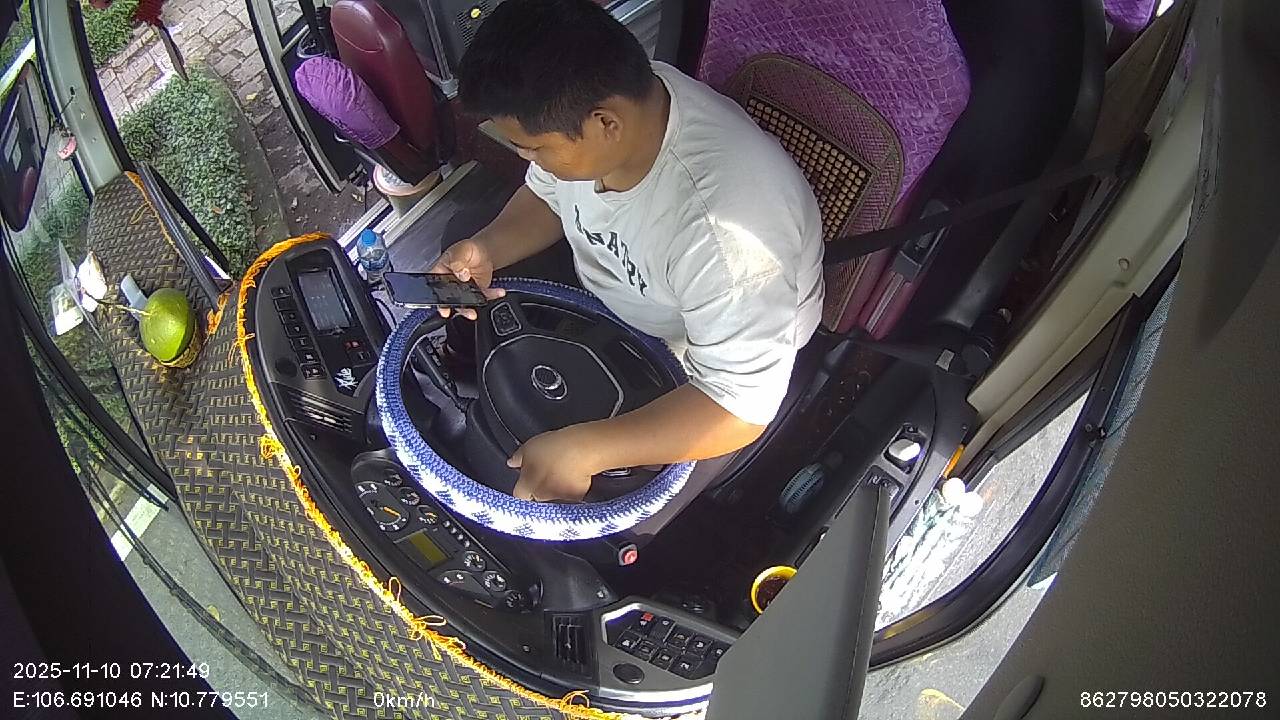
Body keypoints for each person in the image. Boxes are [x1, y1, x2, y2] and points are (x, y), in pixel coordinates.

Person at [432, 0, 824, 503]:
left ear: (605, 123)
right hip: (617, 288)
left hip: (686, 358)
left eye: (534, 148)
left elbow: (738, 406)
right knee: (464, 233)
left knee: (545, 480)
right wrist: (488, 248)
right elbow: (549, 196)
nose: (527, 158)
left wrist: (588, 450)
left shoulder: (725, 240)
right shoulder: (620, 104)